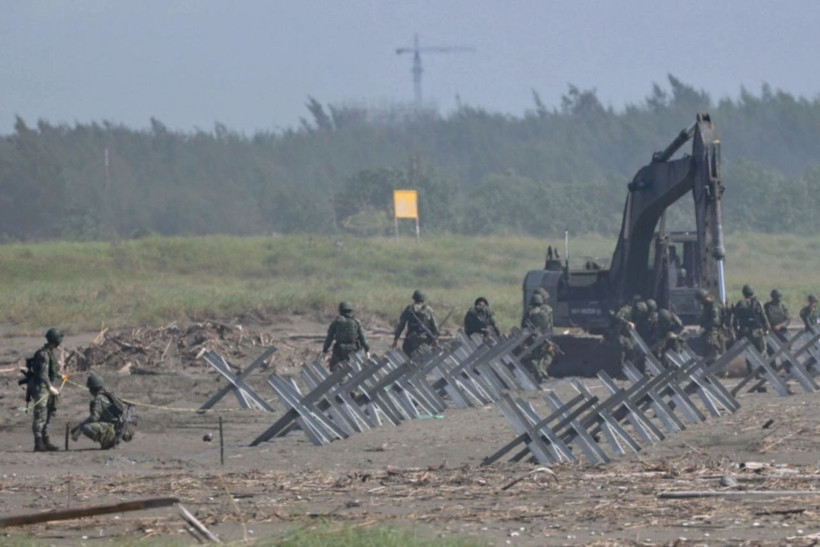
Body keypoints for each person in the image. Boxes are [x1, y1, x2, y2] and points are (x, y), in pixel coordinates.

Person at [71, 373, 134, 449]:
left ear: (92, 388)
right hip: (117, 427)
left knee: (85, 427)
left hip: (111, 427)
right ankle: (111, 440)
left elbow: (94, 417)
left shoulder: (99, 399)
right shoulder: (108, 396)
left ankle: (107, 442)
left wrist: (79, 427)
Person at [29, 328, 64, 452]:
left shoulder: (50, 353)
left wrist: (61, 376)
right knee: (40, 415)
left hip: (47, 388)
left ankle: (45, 440)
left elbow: (51, 371)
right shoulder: (43, 354)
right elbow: (43, 375)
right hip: (41, 389)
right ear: (55, 341)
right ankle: (38, 443)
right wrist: (50, 387)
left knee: (48, 414)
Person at [322, 301, 370, 372]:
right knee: (355, 368)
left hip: (340, 350)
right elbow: (363, 337)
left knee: (335, 367)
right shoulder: (356, 322)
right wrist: (367, 349)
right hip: (354, 349)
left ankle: (340, 381)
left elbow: (329, 338)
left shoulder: (336, 322)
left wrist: (325, 350)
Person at [392, 290, 439, 358]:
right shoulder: (428, 310)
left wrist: (396, 339)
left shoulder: (409, 309)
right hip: (425, 340)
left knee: (407, 354)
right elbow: (435, 327)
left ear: (414, 298)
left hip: (411, 339)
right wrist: (435, 339)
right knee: (424, 357)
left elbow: (401, 325)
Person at [521, 293, 554, 380]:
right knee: (548, 354)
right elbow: (548, 327)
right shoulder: (544, 313)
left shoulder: (529, 313)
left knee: (534, 357)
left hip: (531, 339)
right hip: (543, 338)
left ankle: (539, 372)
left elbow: (523, 326)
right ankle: (542, 369)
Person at [731, 284, 771, 357]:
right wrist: (767, 328)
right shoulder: (757, 303)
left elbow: (735, 319)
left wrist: (737, 331)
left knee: (749, 353)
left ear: (743, 293)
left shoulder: (740, 303)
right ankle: (763, 367)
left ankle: (751, 367)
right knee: (762, 351)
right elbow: (763, 316)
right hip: (757, 331)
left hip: (744, 330)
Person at [695, 289, 725, 362]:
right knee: (707, 354)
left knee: (714, 352)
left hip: (714, 333)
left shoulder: (713, 305)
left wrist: (705, 328)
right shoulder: (707, 306)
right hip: (708, 332)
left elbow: (716, 320)